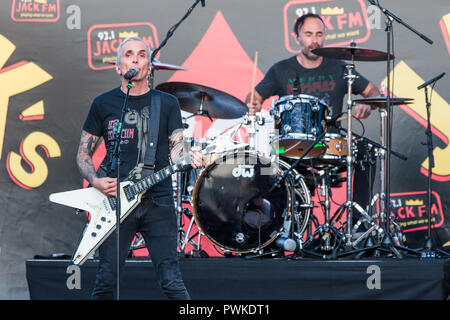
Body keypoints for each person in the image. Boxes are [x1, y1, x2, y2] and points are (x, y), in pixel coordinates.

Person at [76, 36, 206, 300]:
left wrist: (189, 156)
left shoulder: (166, 103)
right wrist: (96, 181)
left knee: (171, 280)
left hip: (157, 200)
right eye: (128, 54)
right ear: (118, 66)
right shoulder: (103, 104)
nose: (135, 59)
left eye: (142, 55)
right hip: (115, 204)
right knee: (106, 281)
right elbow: (82, 154)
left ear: (149, 66)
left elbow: (176, 149)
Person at [246, 13, 380, 218]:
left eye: (319, 34)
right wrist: (252, 103)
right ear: (297, 37)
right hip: (292, 146)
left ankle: (357, 223)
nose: (314, 40)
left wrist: (365, 104)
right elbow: (253, 97)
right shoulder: (281, 70)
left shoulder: (339, 68)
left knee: (367, 151)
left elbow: (373, 93)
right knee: (266, 157)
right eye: (308, 34)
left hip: (331, 143)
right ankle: (278, 226)